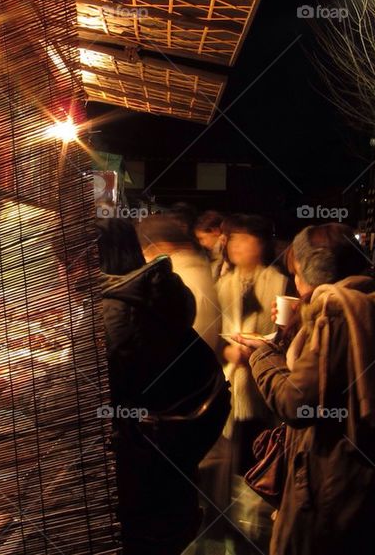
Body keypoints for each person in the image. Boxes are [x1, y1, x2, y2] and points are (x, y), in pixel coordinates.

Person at [247, 223, 375, 555]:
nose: (294, 281)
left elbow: (295, 401)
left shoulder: (338, 317)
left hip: (329, 478)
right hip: (361, 473)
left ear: (311, 275)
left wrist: (262, 355)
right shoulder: (368, 303)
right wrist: (298, 325)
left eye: (296, 272)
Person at [95, 218, 230, 555]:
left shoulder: (119, 313)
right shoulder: (153, 296)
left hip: (141, 488)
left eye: (66, 262)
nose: (63, 271)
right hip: (170, 482)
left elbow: (98, 394)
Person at [210, 214, 290, 545]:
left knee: (261, 457)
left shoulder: (279, 283)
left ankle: (259, 530)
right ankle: (240, 529)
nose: (237, 246)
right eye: (233, 239)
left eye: (245, 239)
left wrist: (260, 351)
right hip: (233, 386)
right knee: (236, 459)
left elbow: (286, 337)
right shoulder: (222, 284)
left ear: (260, 244)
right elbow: (213, 334)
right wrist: (226, 351)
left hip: (263, 390)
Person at [137, 213, 224, 358]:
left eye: (145, 252)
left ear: (160, 247)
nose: (145, 259)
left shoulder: (178, 281)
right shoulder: (194, 269)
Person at [194, 211, 226, 280]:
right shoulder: (215, 255)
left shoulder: (226, 256)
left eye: (202, 238)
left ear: (216, 231)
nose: (201, 243)